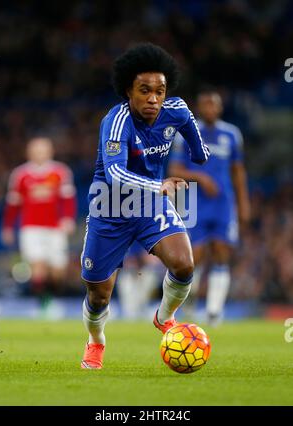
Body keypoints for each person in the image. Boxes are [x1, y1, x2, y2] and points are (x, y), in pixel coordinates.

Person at [80, 43, 210, 369]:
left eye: (160, 91)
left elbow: (200, 151)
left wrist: (198, 145)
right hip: (110, 206)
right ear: (128, 91)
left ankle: (164, 317)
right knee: (99, 295)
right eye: (145, 91)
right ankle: (96, 341)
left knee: (183, 264)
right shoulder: (116, 120)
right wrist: (160, 185)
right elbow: (114, 173)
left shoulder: (176, 110)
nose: (154, 98)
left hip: (151, 203)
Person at [168, 89, 250, 325]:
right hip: (195, 203)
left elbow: (238, 170)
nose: (210, 108)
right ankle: (190, 300)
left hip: (224, 203)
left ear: (220, 107)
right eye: (205, 104)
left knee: (222, 252)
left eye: (214, 104)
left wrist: (243, 203)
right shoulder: (185, 135)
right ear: (199, 108)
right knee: (195, 256)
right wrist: (201, 178)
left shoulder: (231, 134)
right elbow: (174, 171)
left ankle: (214, 311)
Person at [1, 137, 77, 307]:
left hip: (55, 228)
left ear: (51, 151)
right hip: (31, 228)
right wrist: (7, 227)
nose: (40, 153)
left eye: (43, 149)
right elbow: (13, 204)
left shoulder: (60, 172)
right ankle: (43, 305)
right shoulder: (20, 174)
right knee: (37, 266)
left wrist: (68, 219)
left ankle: (54, 297)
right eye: (36, 149)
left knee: (57, 271)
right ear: (29, 152)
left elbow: (68, 199)